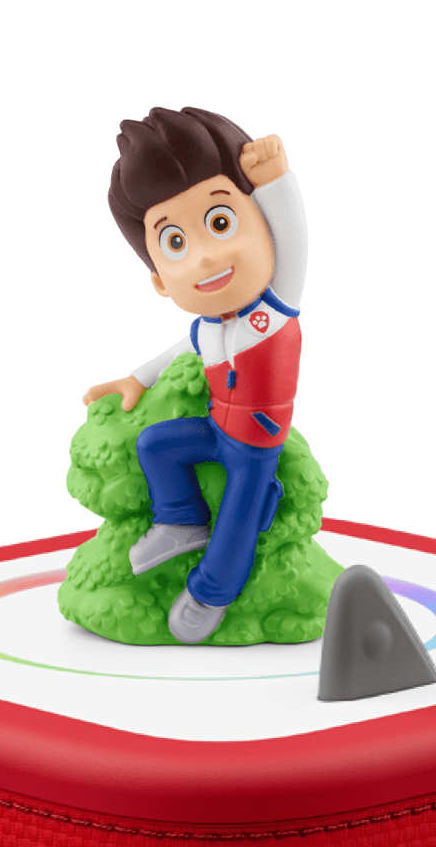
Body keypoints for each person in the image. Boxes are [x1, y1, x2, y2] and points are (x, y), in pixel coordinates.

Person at [84, 107, 307, 643]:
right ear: (160, 280)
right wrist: (136, 379)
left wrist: (276, 183)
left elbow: (296, 241)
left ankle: (210, 595)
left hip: (256, 444)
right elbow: (175, 352)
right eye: (176, 244)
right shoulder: (208, 328)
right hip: (215, 428)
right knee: (157, 444)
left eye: (221, 223)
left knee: (238, 522)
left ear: (263, 230)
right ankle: (181, 519)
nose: (205, 258)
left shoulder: (273, 310)